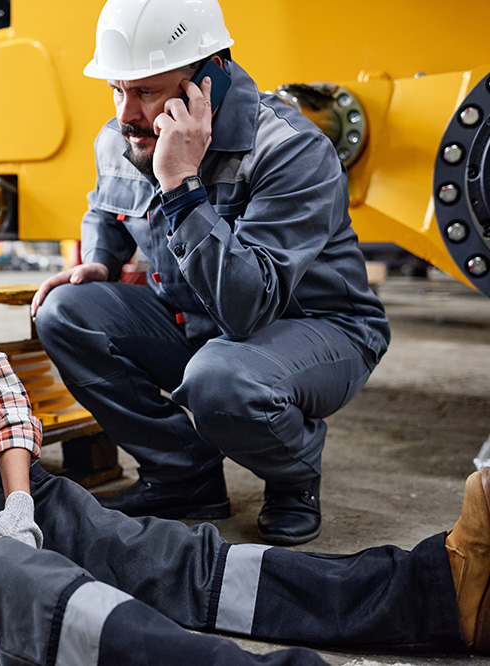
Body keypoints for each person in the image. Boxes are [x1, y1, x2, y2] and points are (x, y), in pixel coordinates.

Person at [0, 111, 490, 665]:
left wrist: (24, 502)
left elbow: (0, 396)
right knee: (44, 592)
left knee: (159, 555)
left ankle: (435, 591)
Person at [30, 0, 390, 546]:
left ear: (210, 80)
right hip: (200, 322)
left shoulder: (290, 150)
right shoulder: (124, 133)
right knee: (64, 313)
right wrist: (101, 258)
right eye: (116, 89)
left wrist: (180, 185)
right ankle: (183, 476)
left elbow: (248, 308)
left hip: (317, 329)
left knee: (223, 379)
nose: (126, 113)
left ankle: (293, 477)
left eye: (146, 91)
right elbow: (106, 206)